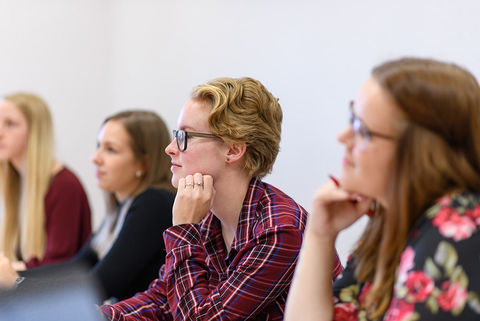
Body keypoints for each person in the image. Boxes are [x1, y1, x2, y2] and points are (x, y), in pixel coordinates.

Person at [101, 77, 343, 320]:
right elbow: (163, 300)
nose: (170, 148)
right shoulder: (208, 216)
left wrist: (184, 229)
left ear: (233, 150)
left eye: (185, 136)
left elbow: (203, 318)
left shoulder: (280, 230)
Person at [285, 58, 480, 320]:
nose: (343, 137)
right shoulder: (391, 221)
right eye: (352, 117)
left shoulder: (458, 229)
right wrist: (320, 234)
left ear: (417, 152)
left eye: (362, 130)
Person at [0, 110, 176, 302]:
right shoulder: (121, 207)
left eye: (111, 150)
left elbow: (99, 285)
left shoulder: (153, 203)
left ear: (143, 163)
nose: (95, 158)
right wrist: (16, 275)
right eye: (99, 146)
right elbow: (78, 266)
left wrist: (18, 282)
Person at [0, 92, 91, 269]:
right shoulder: (17, 182)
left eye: (10, 124)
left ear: (36, 132)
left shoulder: (64, 185)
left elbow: (57, 265)